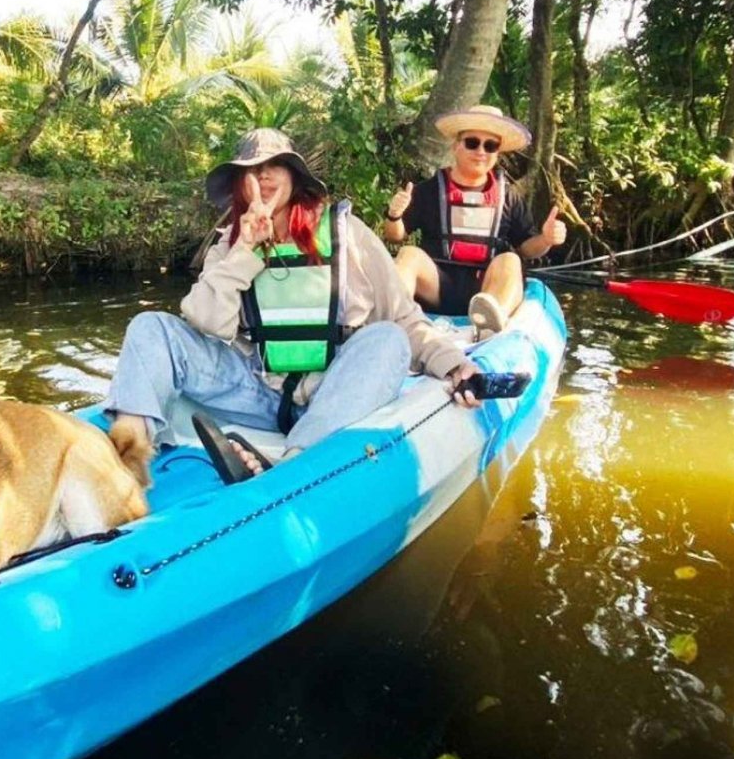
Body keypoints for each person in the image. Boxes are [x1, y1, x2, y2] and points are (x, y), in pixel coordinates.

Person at [105, 128, 484, 485]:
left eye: (274, 166)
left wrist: (452, 364)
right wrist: (245, 250)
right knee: (150, 326)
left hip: (334, 394)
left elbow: (403, 317)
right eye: (251, 170)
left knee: (387, 338)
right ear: (240, 184)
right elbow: (205, 320)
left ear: (294, 177)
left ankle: (293, 465)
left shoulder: (347, 234)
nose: (263, 175)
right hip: (258, 391)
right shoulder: (230, 245)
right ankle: (127, 459)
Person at [382, 104, 568, 337]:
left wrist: (547, 239)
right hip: (437, 286)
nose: (481, 151)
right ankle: (391, 324)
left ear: (497, 153)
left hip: (486, 290)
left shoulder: (509, 197)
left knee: (511, 259)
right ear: (456, 146)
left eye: (490, 146)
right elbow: (395, 235)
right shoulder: (428, 191)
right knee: (409, 254)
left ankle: (490, 324)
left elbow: (528, 248)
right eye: (472, 142)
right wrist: (395, 215)